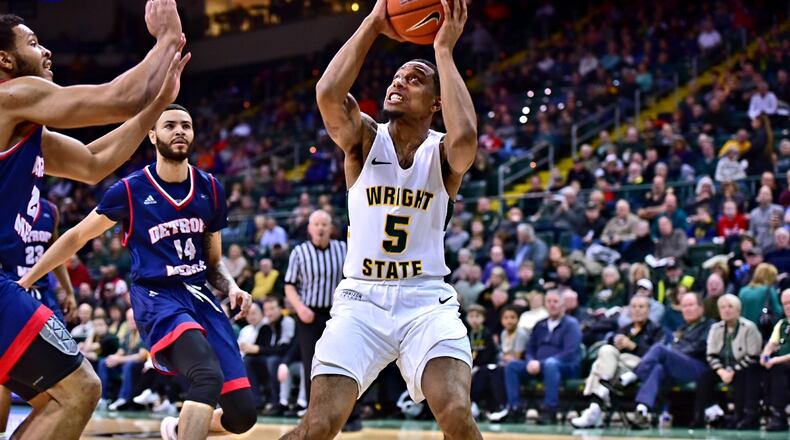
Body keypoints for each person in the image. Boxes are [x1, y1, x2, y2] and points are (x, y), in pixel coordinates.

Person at [287, 0, 480, 437]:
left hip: (425, 299)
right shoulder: (363, 139)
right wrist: (374, 22)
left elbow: (466, 135)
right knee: (319, 425)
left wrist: (443, 52)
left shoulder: (442, 153)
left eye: (415, 79)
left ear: (435, 103)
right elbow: (327, 95)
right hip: (361, 301)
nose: (400, 83)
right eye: (397, 77)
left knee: (454, 411)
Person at [0, 4, 186, 438]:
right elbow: (117, 98)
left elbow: (93, 162)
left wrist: (157, 103)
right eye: (33, 43)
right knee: (79, 389)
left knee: (48, 397)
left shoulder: (26, 128)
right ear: (5, 60)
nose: (46, 52)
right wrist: (168, 38)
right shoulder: (11, 96)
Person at [19, 105, 257, 439]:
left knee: (243, 415)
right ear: (152, 135)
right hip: (158, 298)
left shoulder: (211, 189)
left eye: (186, 126)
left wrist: (232, 287)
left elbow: (214, 262)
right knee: (206, 375)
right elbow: (76, 236)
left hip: (200, 297)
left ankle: (176, 428)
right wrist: (28, 279)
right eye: (170, 125)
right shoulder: (130, 190)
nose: (179, 131)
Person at [604, 293, 713, 428]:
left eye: (691, 305)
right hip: (678, 367)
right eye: (684, 306)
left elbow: (699, 347)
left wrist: (672, 354)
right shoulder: (682, 328)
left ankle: (633, 375)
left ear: (701, 308)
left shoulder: (710, 326)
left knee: (659, 349)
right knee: (658, 368)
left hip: (699, 368)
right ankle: (641, 410)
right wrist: (673, 354)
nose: (687, 309)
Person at [489, 290, 582, 424]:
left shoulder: (571, 324)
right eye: (549, 302)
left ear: (563, 305)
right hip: (538, 366)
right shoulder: (540, 324)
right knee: (512, 366)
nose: (552, 305)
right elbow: (530, 348)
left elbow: (570, 352)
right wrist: (531, 361)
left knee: (551, 364)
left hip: (565, 366)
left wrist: (541, 364)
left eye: (555, 302)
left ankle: (550, 409)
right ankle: (514, 407)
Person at [571, 296, 665, 428]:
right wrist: (615, 342)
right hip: (617, 368)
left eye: (641, 307)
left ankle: (594, 407)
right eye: (634, 307)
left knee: (599, 366)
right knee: (606, 350)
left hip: (638, 367)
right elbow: (610, 349)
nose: (637, 310)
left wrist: (634, 346)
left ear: (648, 310)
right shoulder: (625, 328)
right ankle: (600, 395)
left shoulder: (656, 330)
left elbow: (658, 355)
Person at [696, 294, 762, 429]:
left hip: (743, 367)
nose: (726, 310)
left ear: (738, 309)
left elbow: (753, 356)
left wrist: (732, 371)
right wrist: (721, 371)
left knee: (746, 375)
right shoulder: (716, 328)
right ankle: (700, 417)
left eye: (730, 307)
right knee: (705, 377)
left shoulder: (749, 327)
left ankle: (742, 417)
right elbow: (711, 355)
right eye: (723, 307)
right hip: (722, 369)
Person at [241, 297, 295, 415]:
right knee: (248, 360)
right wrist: (252, 349)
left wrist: (258, 349)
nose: (269, 313)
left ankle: (277, 403)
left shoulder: (287, 322)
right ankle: (257, 401)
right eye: (266, 310)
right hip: (271, 357)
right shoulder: (266, 325)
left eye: (272, 308)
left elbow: (284, 348)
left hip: (287, 358)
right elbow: (259, 348)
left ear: (280, 309)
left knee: (272, 361)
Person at [760, 288, 790, 431]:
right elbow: (771, 344)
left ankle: (778, 416)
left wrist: (775, 360)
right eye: (785, 304)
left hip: (784, 364)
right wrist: (765, 357)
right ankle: (771, 413)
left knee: (777, 368)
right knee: (764, 368)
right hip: (783, 366)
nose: (788, 307)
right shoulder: (782, 324)